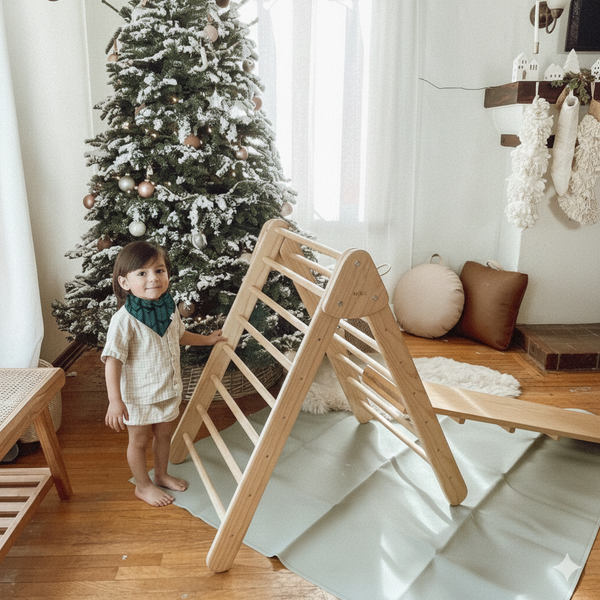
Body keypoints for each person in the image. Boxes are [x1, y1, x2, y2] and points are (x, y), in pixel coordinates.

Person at [102, 241, 227, 507]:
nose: (153, 279)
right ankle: (143, 486)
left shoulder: (169, 308)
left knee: (164, 435)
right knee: (138, 441)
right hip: (138, 396)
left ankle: (160, 474)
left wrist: (206, 340)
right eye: (142, 273)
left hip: (168, 389)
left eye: (159, 270)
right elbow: (112, 361)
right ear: (125, 283)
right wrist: (115, 401)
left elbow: (178, 335)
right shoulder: (124, 320)